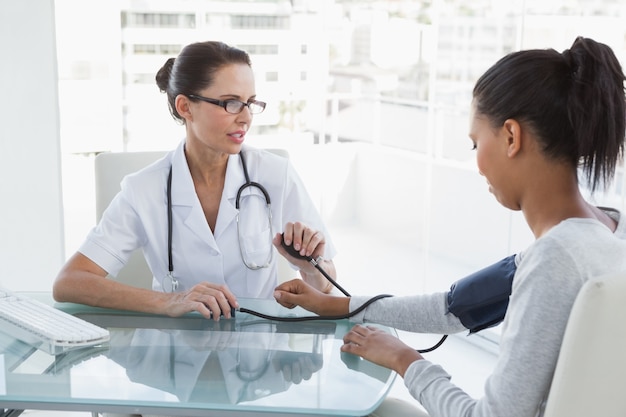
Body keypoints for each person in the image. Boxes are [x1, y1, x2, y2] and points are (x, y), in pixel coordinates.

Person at [273, 36, 626, 417]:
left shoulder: (555, 260)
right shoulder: (606, 231)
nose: (478, 165)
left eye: (476, 144)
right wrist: (337, 306)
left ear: (511, 136)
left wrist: (405, 360)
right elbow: (452, 309)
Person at [53, 40, 337, 320]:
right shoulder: (144, 189)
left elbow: (329, 287)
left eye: (250, 103)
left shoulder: (276, 174)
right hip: (175, 353)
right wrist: (171, 302)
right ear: (185, 107)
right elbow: (70, 282)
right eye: (231, 103)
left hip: (257, 354)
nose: (246, 118)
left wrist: (312, 269)